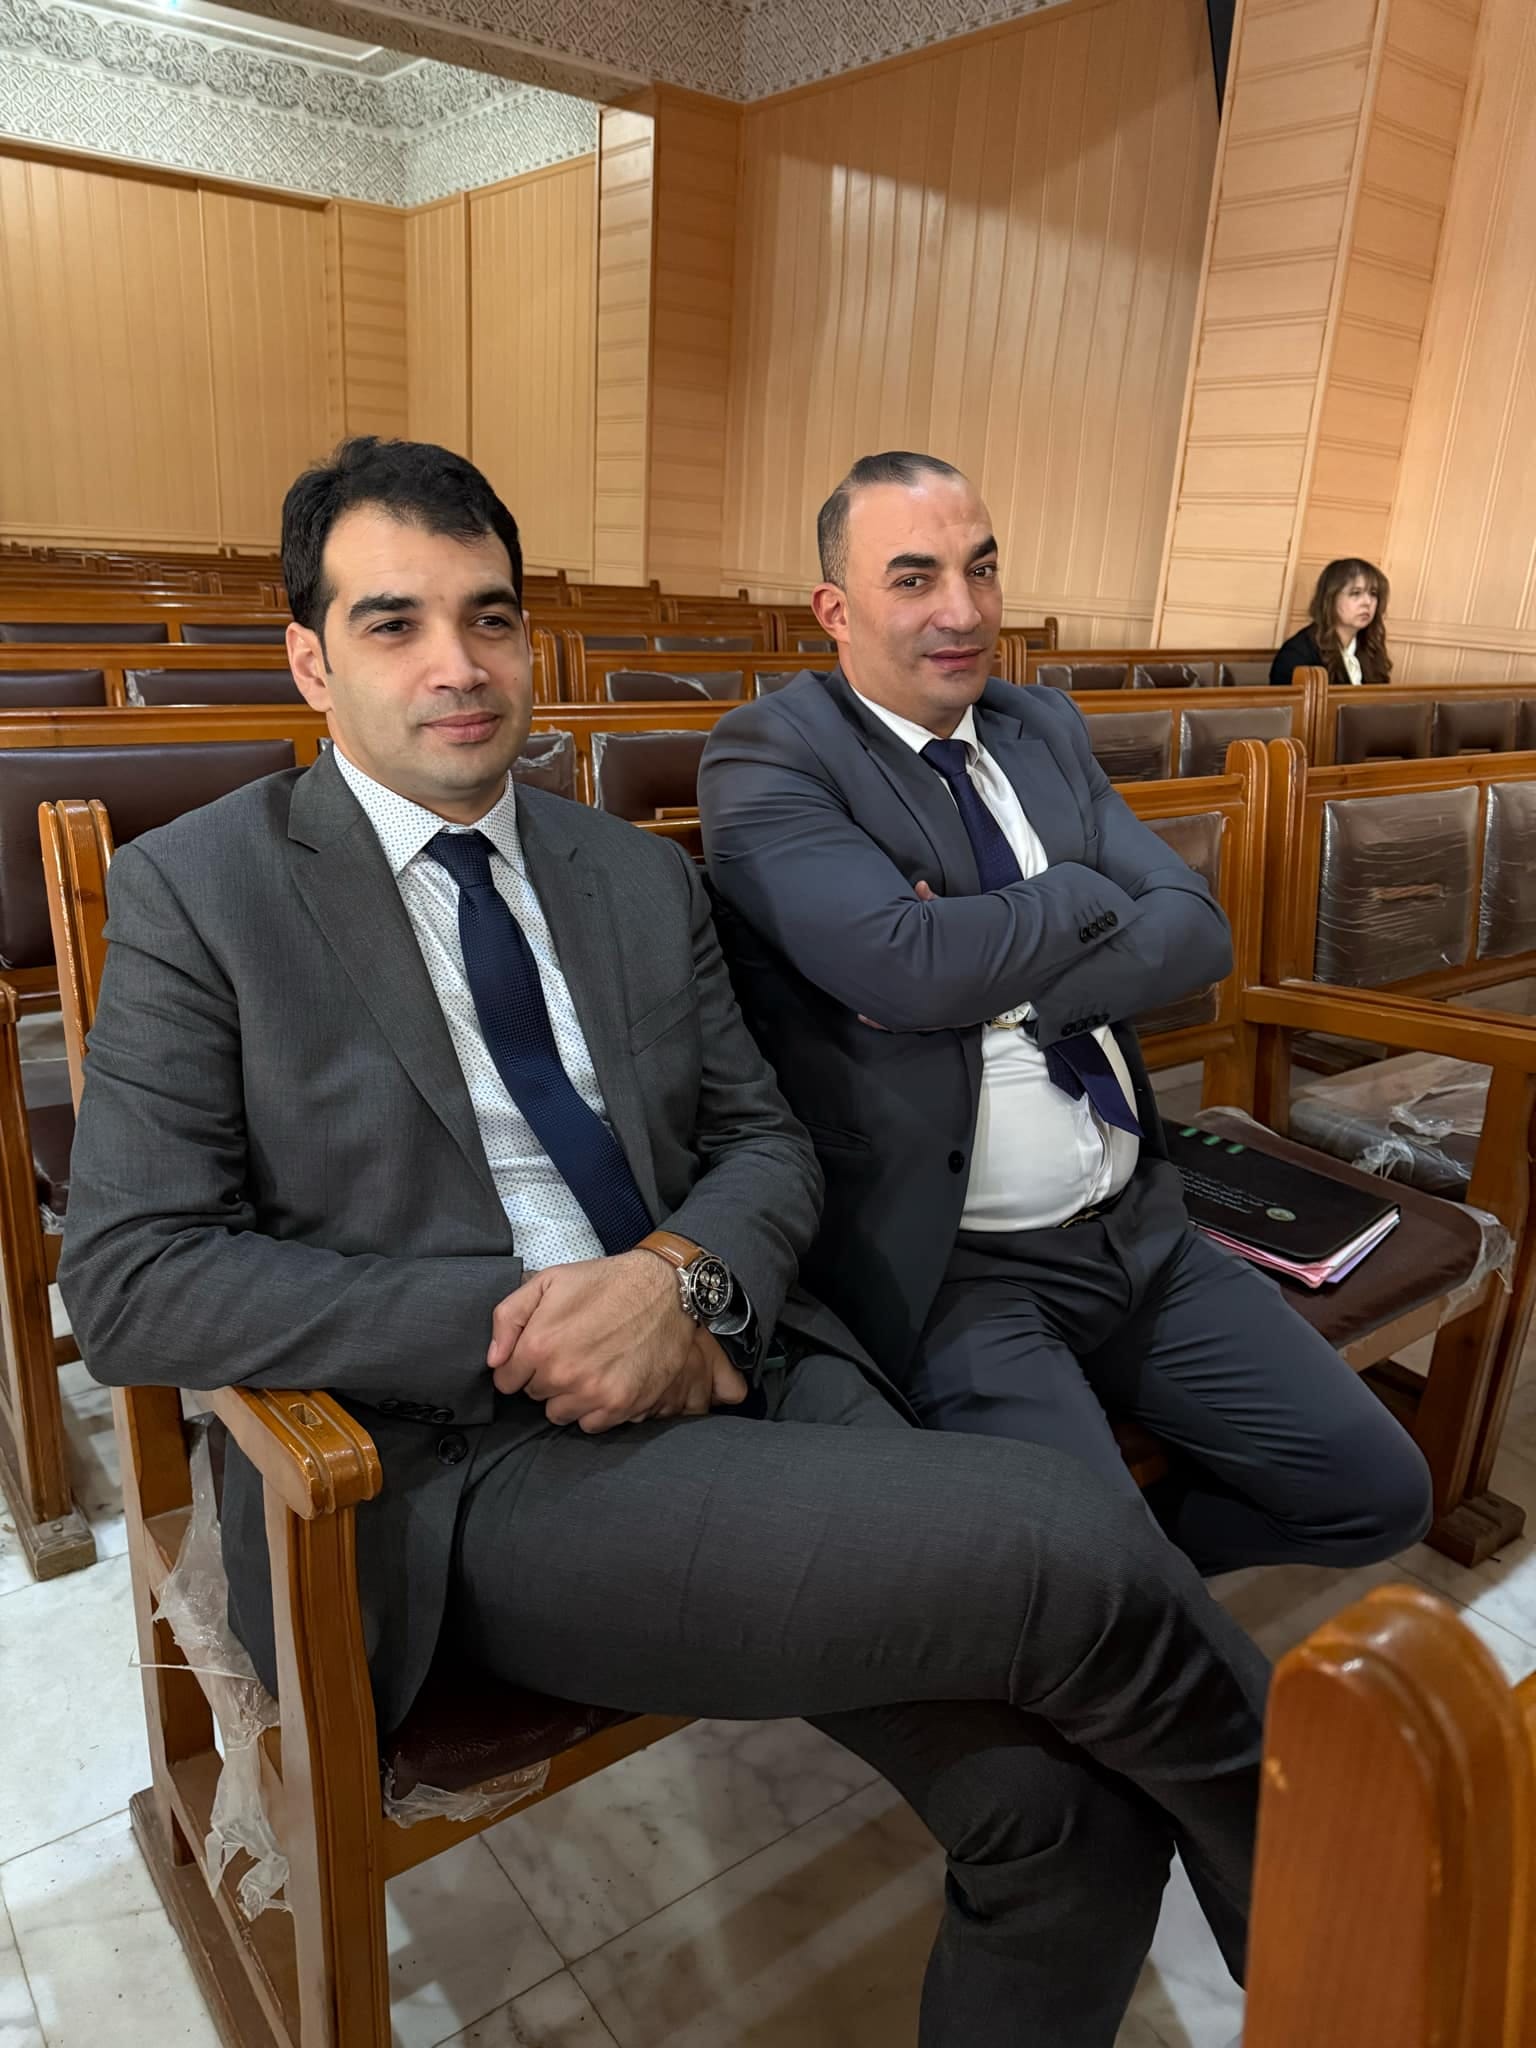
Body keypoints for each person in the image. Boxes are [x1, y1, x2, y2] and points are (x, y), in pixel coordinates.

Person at [61, 437, 1272, 2048]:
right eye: (395, 624)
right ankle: (1352, 1912)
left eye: (491, 618)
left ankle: (1323, 1908)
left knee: (1070, 1815)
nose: (458, 666)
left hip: (738, 1354)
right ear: (311, 661)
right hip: (470, 1459)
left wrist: (679, 1284)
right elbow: (131, 1280)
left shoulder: (632, 876)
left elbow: (766, 1141)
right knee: (1071, 1537)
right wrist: (533, 1319)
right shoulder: (198, 893)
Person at [697, 451, 1432, 1580]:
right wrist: (1081, 894)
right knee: (1098, 1578)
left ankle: (1117, 1578)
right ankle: (1099, 1586)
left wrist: (996, 977)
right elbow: (905, 971)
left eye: (982, 569)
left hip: (1141, 1226)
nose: (963, 611)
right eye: (914, 578)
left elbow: (1198, 931)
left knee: (1380, 1497)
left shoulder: (1035, 724)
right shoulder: (770, 753)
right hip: (957, 1269)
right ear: (834, 610)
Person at [1270, 558, 1392, 685]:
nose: (1367, 602)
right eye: (1356, 593)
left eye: (1373, 594)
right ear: (1330, 598)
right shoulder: (1297, 653)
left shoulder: (1370, 647)